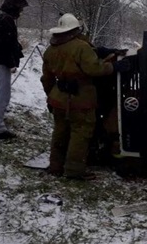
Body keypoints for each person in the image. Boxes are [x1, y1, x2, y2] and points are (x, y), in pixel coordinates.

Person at [40, 13, 130, 180]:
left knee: (60, 133)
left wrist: (50, 98)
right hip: (81, 100)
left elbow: (47, 78)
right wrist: (115, 66)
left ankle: (56, 166)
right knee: (80, 134)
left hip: (58, 98)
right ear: (75, 30)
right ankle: (74, 170)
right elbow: (94, 69)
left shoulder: (50, 50)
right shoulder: (80, 47)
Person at [0, 0, 29, 140]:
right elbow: (6, 44)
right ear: (14, 6)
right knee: (1, 96)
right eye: (20, 8)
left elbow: (4, 42)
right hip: (2, 62)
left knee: (2, 95)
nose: (21, 12)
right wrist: (11, 63)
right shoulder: (5, 20)